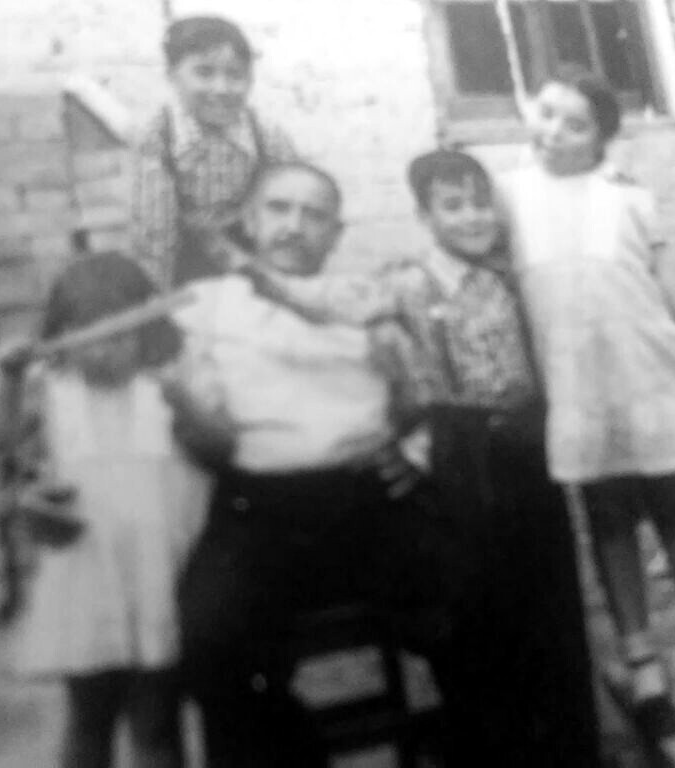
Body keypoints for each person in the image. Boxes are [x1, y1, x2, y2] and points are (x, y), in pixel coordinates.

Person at [242, 149, 602, 765]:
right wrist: (405, 447)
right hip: (459, 466)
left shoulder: (510, 277)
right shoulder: (407, 283)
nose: (472, 218)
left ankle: (566, 751)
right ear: (425, 217)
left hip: (527, 457)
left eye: (481, 204)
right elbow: (368, 351)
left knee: (549, 609)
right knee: (479, 620)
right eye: (452, 206)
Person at [499, 66, 675, 736]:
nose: (555, 132)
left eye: (576, 125)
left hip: (645, 377)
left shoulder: (627, 197)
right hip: (578, 390)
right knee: (608, 521)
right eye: (547, 113)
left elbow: (672, 288)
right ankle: (643, 664)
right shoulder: (509, 196)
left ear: (601, 137)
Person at [166, 161, 458, 768]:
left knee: (477, 601)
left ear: (336, 234)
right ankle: (296, 753)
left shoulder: (365, 298)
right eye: (278, 209)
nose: (294, 226)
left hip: (371, 499)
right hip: (259, 510)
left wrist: (418, 452)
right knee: (205, 642)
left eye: (314, 215)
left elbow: (431, 388)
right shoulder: (203, 307)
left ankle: (467, 746)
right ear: (250, 221)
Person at [0, 253, 210, 768]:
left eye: (120, 336)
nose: (104, 352)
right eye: (88, 338)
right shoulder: (53, 389)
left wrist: (183, 399)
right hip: (87, 582)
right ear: (62, 336)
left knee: (157, 723)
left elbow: (214, 448)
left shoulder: (167, 384)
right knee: (89, 720)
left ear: (147, 331)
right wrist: (6, 376)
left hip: (159, 580)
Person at [130, 14, 297, 289]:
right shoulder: (158, 139)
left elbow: (293, 212)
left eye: (235, 75)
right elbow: (154, 237)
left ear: (250, 79)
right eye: (204, 73)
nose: (221, 89)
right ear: (172, 76)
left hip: (253, 257)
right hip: (184, 263)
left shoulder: (265, 135)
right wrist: (161, 299)